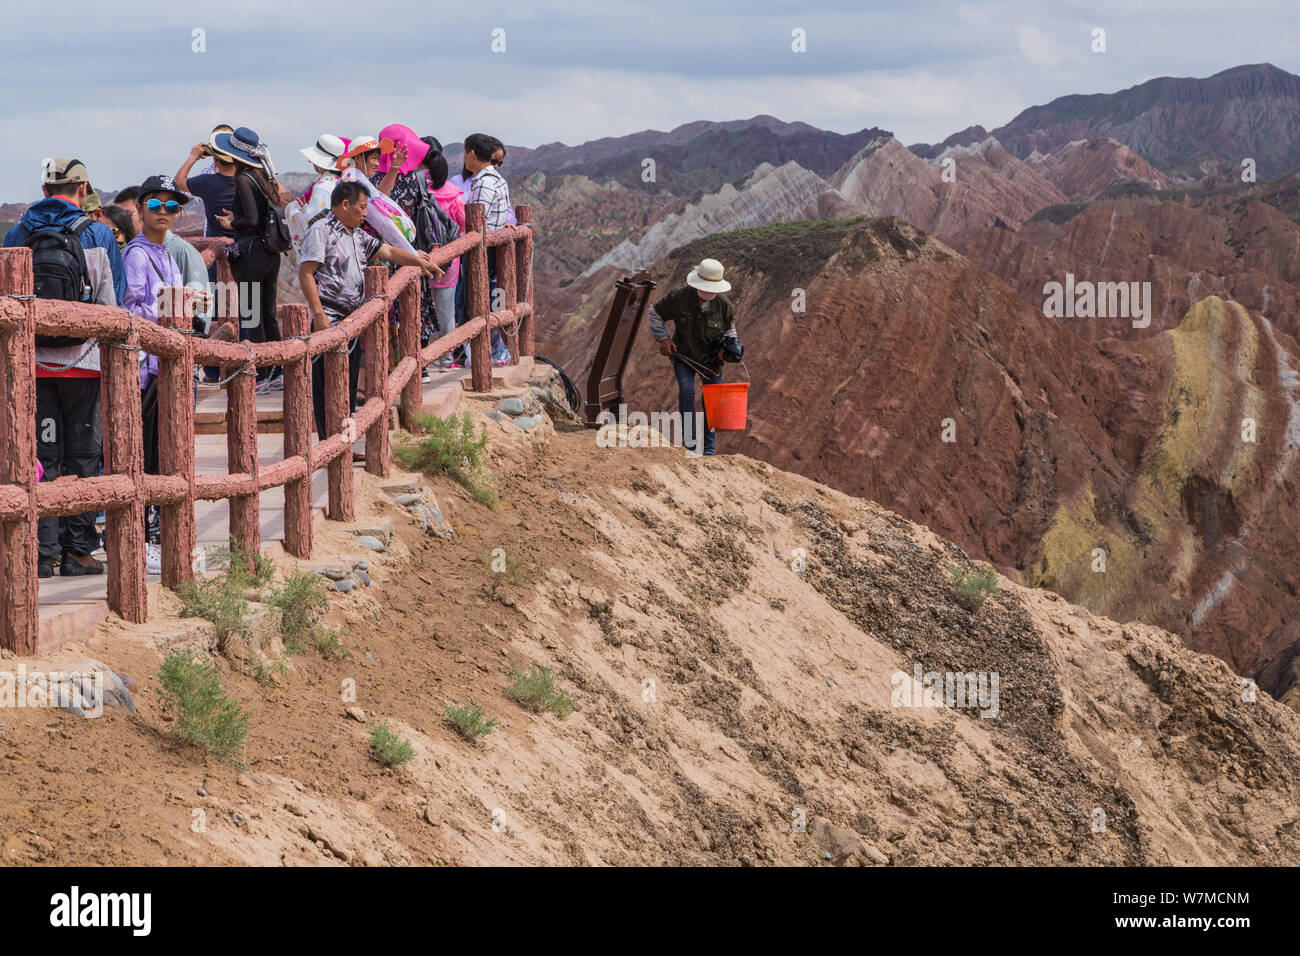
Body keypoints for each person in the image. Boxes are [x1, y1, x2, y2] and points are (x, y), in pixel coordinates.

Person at [5, 157, 125, 577]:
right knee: (84, 456)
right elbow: (114, 302)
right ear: (83, 189)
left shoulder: (18, 232)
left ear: (43, 191)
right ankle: (78, 551)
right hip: (84, 363)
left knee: (41, 456)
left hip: (33, 365)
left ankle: (41, 552)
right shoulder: (96, 232)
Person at [297, 180, 441, 440]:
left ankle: (344, 441)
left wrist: (418, 261)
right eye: (362, 208)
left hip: (351, 321)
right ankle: (328, 442)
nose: (365, 213)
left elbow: (387, 251)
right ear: (344, 205)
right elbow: (306, 273)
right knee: (327, 384)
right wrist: (318, 314)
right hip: (328, 319)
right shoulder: (321, 231)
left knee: (348, 383)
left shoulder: (356, 233)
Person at [122, 176, 189, 574]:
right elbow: (132, 306)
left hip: (166, 369)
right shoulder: (137, 254)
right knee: (147, 454)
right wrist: (169, 313)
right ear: (142, 209)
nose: (163, 213)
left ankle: (160, 533)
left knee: (167, 453)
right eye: (155, 205)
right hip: (147, 370)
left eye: (171, 207)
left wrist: (184, 305)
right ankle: (143, 538)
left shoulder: (165, 253)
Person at [648, 258, 741, 457]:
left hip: (712, 362)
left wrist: (728, 351)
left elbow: (730, 333)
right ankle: (689, 443)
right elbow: (654, 312)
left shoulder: (724, 306)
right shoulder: (679, 297)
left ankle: (708, 449)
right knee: (687, 392)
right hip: (684, 355)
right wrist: (663, 338)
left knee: (712, 402)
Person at [214, 126, 285, 375]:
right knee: (268, 314)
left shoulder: (244, 178)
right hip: (269, 254)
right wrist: (239, 216)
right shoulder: (261, 176)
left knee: (253, 315)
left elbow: (252, 219)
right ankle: (277, 369)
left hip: (252, 254)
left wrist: (231, 223)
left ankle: (262, 372)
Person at [423, 140, 464, 370]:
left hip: (420, 260)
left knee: (420, 313)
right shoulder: (453, 195)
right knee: (446, 314)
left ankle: (423, 361)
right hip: (448, 263)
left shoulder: (416, 189)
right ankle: (446, 359)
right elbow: (464, 223)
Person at [173, 126, 240, 239]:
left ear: (214, 158)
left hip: (216, 241)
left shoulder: (207, 180)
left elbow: (178, 183)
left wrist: (193, 157)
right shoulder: (250, 177)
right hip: (246, 241)